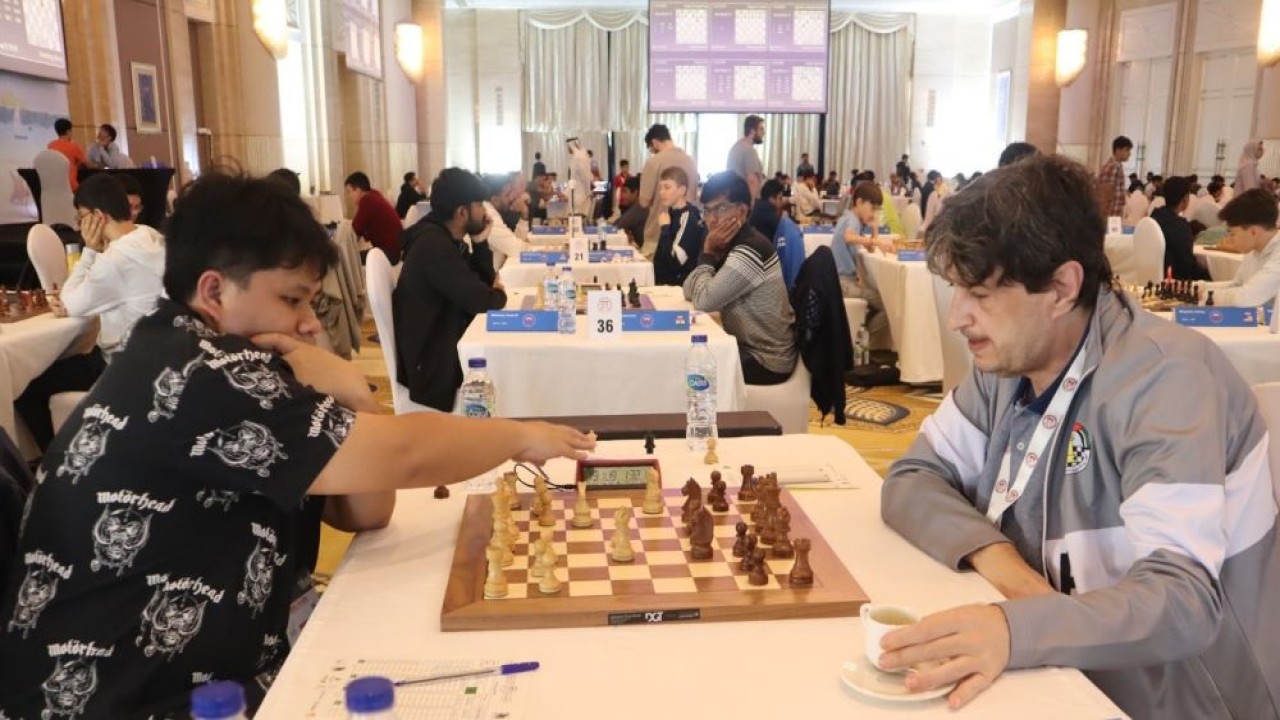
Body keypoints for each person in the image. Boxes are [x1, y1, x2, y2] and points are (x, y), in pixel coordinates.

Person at [0, 171, 593, 718]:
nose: (311, 322)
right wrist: (520, 435)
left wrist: (354, 397)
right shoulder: (203, 372)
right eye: (292, 299)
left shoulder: (221, 355)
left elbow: (367, 510)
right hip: (129, 698)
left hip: (204, 670)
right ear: (214, 292)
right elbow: (403, 455)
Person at [879, 154, 1279, 719]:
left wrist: (1015, 628)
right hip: (1060, 666)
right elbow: (912, 478)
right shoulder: (1010, 364)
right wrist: (1008, 574)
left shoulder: (1166, 382)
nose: (957, 318)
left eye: (981, 295)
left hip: (1180, 698)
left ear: (1064, 287)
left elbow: (1183, 604)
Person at [14, 173, 166, 450]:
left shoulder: (116, 259)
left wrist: (89, 251)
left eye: (80, 216)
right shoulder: (150, 235)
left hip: (123, 364)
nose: (79, 224)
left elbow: (69, 303)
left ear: (97, 216)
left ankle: (54, 459)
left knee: (27, 387)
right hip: (157, 358)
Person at [395, 168, 507, 411]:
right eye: (479, 204)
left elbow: (480, 287)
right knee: (509, 370)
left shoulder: (443, 239)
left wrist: (479, 244)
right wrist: (498, 294)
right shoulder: (433, 246)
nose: (485, 212)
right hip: (434, 367)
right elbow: (485, 300)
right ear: (462, 212)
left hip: (442, 347)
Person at [683, 172, 796, 385]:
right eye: (707, 210)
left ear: (743, 211)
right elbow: (689, 287)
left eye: (722, 208)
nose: (713, 219)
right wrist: (709, 256)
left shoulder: (749, 249)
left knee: (689, 367)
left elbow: (704, 302)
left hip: (767, 359)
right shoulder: (730, 245)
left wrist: (707, 251)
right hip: (749, 348)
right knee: (687, 357)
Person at [831, 182, 891, 346]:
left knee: (876, 303)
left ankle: (861, 343)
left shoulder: (850, 218)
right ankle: (864, 346)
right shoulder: (852, 220)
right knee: (887, 305)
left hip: (842, 281)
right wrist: (871, 239)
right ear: (859, 202)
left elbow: (871, 248)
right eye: (872, 208)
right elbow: (849, 237)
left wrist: (874, 229)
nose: (874, 213)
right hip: (843, 283)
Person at [1201, 188, 1280, 307]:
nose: (1231, 239)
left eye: (1233, 234)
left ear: (1253, 231)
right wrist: (1196, 287)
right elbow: (1238, 285)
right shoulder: (1255, 249)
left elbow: (1245, 298)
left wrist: (1205, 295)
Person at [638, 124, 698, 257]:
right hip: (686, 235)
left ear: (654, 142)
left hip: (657, 234)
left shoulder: (654, 162)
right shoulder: (691, 161)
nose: (652, 152)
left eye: (652, 149)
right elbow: (693, 197)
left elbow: (644, 201)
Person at [652, 166, 705, 286]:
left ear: (681, 190)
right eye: (660, 188)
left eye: (667, 187)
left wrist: (665, 229)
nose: (661, 192)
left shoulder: (689, 217)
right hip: (664, 285)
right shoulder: (670, 213)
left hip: (678, 287)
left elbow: (674, 262)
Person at [1151, 176, 1210, 281]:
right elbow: (1187, 264)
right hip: (1174, 280)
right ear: (1185, 198)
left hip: (1154, 275)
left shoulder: (1153, 217)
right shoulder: (1179, 226)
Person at [345, 171, 402, 262]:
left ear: (358, 190)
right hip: (395, 250)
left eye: (349, 191)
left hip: (388, 253)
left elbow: (354, 232)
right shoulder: (374, 195)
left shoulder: (367, 201)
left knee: (347, 259)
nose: (349, 196)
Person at [726, 115, 766, 200]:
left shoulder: (737, 146)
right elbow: (752, 182)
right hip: (745, 202)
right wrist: (751, 207)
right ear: (752, 131)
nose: (764, 132)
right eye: (761, 129)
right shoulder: (749, 150)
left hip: (736, 199)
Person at [47, 117, 88, 192]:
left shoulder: (50, 146)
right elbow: (86, 164)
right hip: (71, 186)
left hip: (55, 185)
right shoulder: (73, 146)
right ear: (68, 131)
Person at [1097, 136, 1132, 218]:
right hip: (1110, 216)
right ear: (1118, 150)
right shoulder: (1112, 167)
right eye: (1127, 150)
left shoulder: (1117, 166)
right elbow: (1105, 195)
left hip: (1114, 215)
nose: (1129, 153)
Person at [614, 175, 649, 248]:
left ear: (635, 193)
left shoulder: (640, 207)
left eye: (625, 192)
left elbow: (616, 226)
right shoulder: (638, 206)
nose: (622, 196)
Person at [748, 178, 786, 243]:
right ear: (771, 199)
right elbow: (783, 229)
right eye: (780, 198)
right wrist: (784, 219)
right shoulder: (766, 210)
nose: (782, 202)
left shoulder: (760, 204)